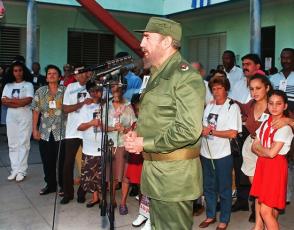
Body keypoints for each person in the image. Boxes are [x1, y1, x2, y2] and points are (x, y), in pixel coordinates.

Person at [124, 17, 205, 229]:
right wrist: (137, 134)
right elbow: (158, 118)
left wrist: (145, 143)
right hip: (155, 172)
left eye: (147, 38)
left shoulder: (185, 77)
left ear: (167, 42)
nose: (141, 44)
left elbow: (188, 130)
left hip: (174, 177)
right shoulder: (157, 75)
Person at [199, 71, 242, 230]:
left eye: (219, 88)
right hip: (206, 153)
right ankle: (210, 216)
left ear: (226, 89)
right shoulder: (209, 105)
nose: (216, 91)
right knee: (208, 187)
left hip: (223, 154)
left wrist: (210, 132)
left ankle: (224, 219)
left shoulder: (232, 107)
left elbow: (232, 133)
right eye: (213, 88)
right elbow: (202, 126)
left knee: (224, 189)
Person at [251, 90, 293, 230]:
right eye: (271, 103)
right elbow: (253, 147)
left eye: (278, 104)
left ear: (285, 106)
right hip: (262, 165)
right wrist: (263, 150)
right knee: (263, 202)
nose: (274, 107)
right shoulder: (265, 122)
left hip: (275, 167)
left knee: (266, 211)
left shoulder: (285, 127)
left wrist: (260, 148)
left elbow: (272, 153)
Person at [231, 53, 264, 218]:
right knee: (241, 168)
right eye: (243, 64)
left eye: (248, 64)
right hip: (240, 129)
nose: (245, 67)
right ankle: (243, 201)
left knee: (257, 172)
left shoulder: (264, 84)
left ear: (258, 66)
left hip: (258, 134)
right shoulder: (238, 83)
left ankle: (256, 207)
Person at [237, 74, 273, 224]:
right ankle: (259, 224)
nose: (254, 92)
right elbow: (237, 105)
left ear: (267, 88)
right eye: (251, 89)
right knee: (257, 190)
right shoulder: (251, 104)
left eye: (258, 88)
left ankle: (269, 222)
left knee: (268, 191)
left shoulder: (274, 104)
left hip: (269, 150)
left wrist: (286, 120)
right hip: (250, 148)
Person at [32, 65, 65, 194]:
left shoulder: (65, 91)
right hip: (45, 132)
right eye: (49, 73)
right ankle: (50, 185)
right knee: (47, 160)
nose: (51, 75)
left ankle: (62, 186)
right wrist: (34, 130)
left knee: (62, 160)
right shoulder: (40, 91)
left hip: (62, 132)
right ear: (46, 77)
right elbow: (35, 112)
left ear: (59, 77)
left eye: (54, 73)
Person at [60, 71, 92, 204]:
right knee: (68, 163)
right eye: (80, 74)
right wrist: (82, 103)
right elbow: (65, 109)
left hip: (88, 130)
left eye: (85, 74)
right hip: (72, 131)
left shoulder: (93, 86)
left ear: (89, 74)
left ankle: (82, 192)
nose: (83, 76)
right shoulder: (71, 87)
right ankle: (67, 194)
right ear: (76, 76)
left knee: (88, 163)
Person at [1, 61, 34, 182]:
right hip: (11, 116)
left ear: (23, 71)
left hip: (25, 115)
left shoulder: (28, 85)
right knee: (12, 143)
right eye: (15, 71)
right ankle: (14, 169)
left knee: (23, 143)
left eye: (20, 70)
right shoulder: (8, 85)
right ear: (12, 72)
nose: (18, 73)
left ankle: (22, 171)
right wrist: (17, 103)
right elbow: (3, 101)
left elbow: (27, 101)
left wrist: (11, 101)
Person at [269, 48, 294, 205]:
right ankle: (284, 195)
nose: (285, 60)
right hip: (278, 123)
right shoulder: (273, 78)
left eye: (289, 58)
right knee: (283, 158)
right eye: (283, 58)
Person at [107, 85, 136, 211]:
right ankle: (112, 199)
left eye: (118, 89)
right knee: (111, 175)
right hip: (110, 144)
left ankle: (123, 203)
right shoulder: (106, 106)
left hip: (124, 145)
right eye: (113, 89)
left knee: (125, 175)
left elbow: (134, 125)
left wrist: (124, 129)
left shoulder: (128, 107)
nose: (115, 92)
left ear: (123, 90)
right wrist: (113, 128)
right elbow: (101, 125)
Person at [76, 80, 103, 207]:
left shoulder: (106, 105)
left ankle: (103, 198)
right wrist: (91, 123)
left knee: (102, 174)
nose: (95, 93)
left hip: (103, 145)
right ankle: (95, 197)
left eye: (98, 90)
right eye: (92, 91)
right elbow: (79, 127)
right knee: (91, 174)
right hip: (89, 146)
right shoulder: (85, 107)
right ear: (89, 92)